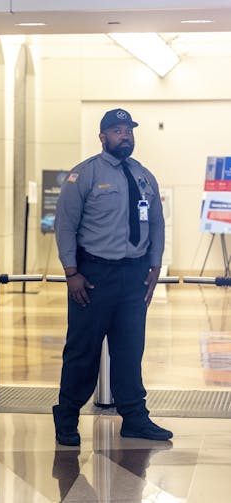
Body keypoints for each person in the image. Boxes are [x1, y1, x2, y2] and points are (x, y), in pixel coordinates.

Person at [52, 108, 172, 446]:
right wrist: (71, 271)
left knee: (130, 350)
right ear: (102, 136)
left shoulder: (143, 175)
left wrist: (154, 264)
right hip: (93, 277)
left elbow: (157, 224)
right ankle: (67, 416)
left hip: (133, 276)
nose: (126, 136)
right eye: (118, 131)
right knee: (83, 350)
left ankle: (134, 416)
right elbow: (65, 226)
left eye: (129, 130)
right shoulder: (85, 175)